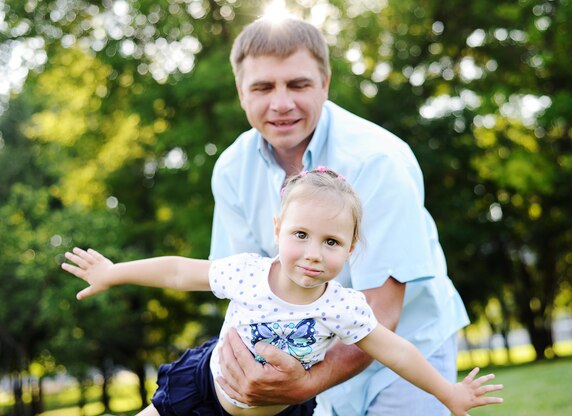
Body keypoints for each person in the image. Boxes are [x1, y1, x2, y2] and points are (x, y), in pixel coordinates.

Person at [62, 168, 502, 416]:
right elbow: (180, 271)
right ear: (278, 230)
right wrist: (113, 271)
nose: (313, 254)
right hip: (204, 392)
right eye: (301, 235)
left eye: (331, 242)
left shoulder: (343, 307)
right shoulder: (247, 273)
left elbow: (397, 351)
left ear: (350, 249)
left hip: (278, 415)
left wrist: (449, 393)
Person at [210, 16, 472, 416]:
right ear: (240, 93)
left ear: (325, 84)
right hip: (307, 353)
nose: (281, 104)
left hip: (404, 353)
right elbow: (249, 293)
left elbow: (381, 313)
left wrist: (306, 383)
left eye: (298, 84)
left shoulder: (377, 161)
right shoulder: (230, 171)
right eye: (263, 87)